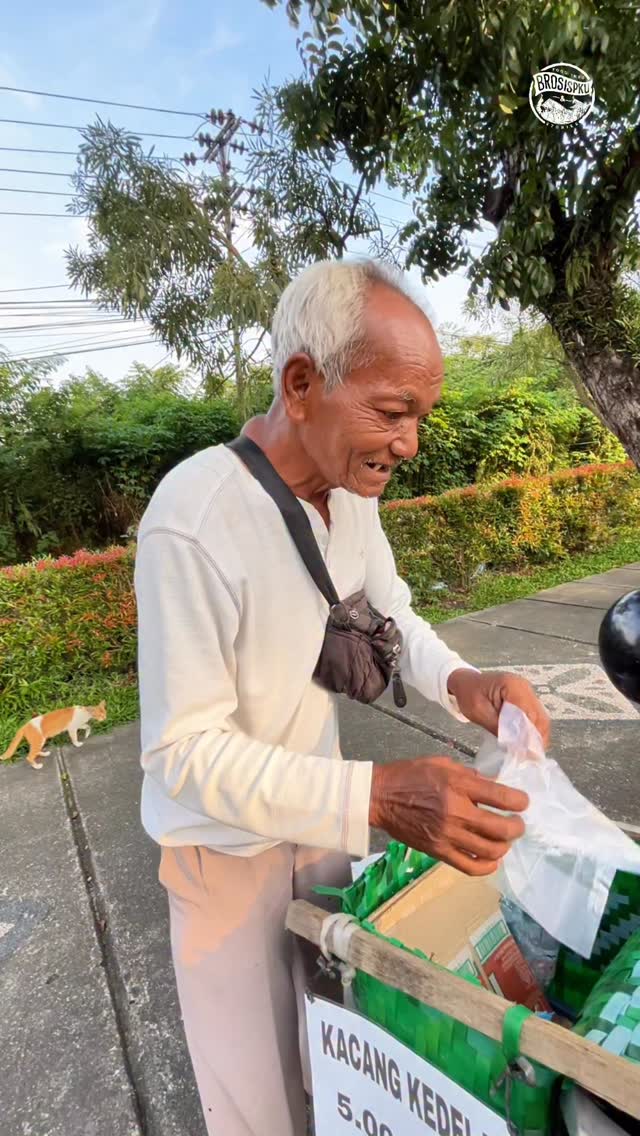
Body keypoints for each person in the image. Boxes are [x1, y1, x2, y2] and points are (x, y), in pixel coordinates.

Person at [134, 257, 550, 1136]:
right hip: (224, 859)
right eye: (392, 412)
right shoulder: (193, 518)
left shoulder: (350, 494)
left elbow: (388, 614)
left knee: (337, 1059)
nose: (408, 444)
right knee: (256, 1103)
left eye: (420, 418)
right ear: (301, 383)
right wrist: (379, 796)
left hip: (319, 834)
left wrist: (464, 682)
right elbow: (182, 750)